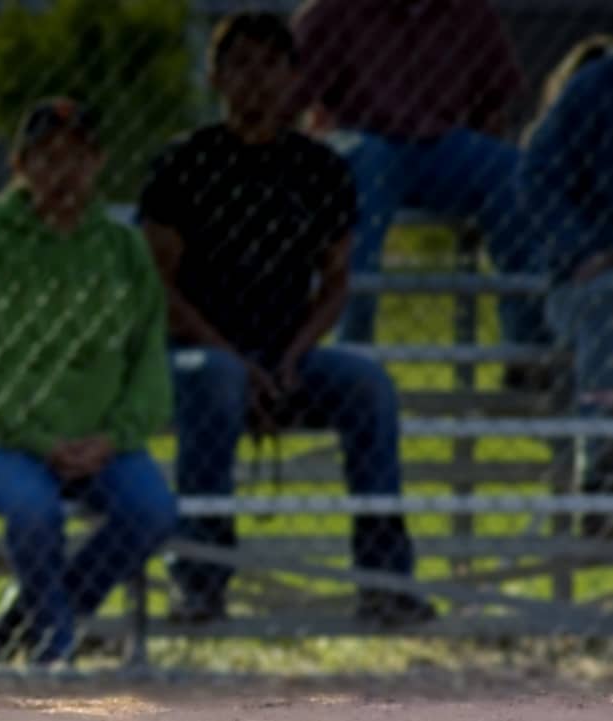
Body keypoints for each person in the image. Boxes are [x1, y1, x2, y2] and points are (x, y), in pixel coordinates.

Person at [138, 12, 435, 626]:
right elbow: (157, 287)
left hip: (285, 354)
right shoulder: (184, 164)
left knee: (366, 383)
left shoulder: (321, 169)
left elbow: (335, 283)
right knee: (217, 378)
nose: (257, 80)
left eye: (273, 64)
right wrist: (234, 358)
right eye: (241, 64)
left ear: (296, 78)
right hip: (193, 360)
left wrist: (296, 353)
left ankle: (385, 579)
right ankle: (199, 579)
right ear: (216, 75)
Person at [0, 98, 178, 665]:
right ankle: (55, 641)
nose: (63, 171)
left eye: (76, 157)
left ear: (98, 162)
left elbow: (150, 361)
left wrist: (114, 437)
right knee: (33, 508)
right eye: (46, 158)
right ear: (21, 164)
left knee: (153, 511)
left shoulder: (121, 248)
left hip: (101, 442)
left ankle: (38, 614)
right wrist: (40, 440)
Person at [292, 0, 549, 355]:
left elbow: (494, 108)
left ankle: (528, 349)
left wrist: (484, 162)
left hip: (441, 147)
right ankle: (352, 349)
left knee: (508, 167)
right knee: (370, 161)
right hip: (362, 142)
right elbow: (291, 95)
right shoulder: (335, 9)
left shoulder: (470, 11)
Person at [521, 52, 613, 537]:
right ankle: (602, 471)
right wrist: (582, 251)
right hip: (590, 286)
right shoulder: (595, 89)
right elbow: (536, 178)